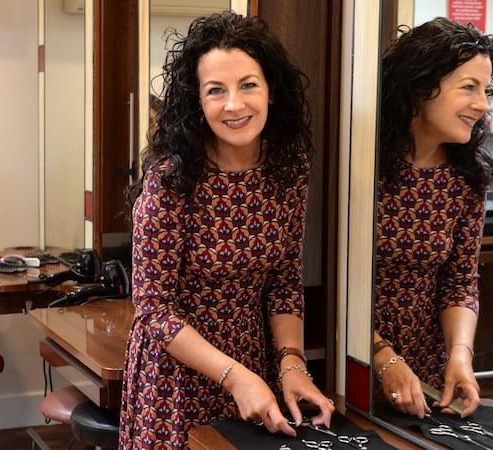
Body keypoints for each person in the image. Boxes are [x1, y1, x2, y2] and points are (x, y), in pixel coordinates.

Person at [120, 11, 334, 449]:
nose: (234, 104)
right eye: (216, 90)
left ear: (271, 90)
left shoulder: (288, 169)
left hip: (251, 363)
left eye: (248, 85)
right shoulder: (171, 180)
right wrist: (234, 376)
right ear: (197, 100)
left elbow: (284, 281)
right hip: (177, 378)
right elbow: (154, 309)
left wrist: (292, 364)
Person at [373, 17, 493, 419]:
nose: (483, 104)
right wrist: (383, 358)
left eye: (486, 90)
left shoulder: (468, 178)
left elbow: (460, 282)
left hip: (426, 377)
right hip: (351, 362)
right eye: (470, 87)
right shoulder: (359, 165)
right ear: (420, 87)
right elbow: (331, 286)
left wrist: (460, 355)